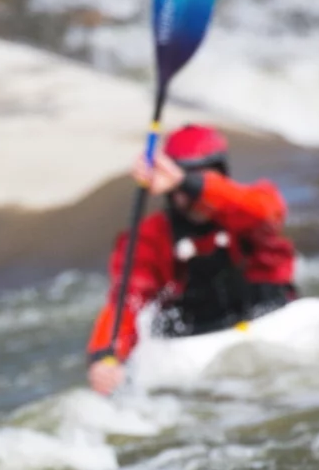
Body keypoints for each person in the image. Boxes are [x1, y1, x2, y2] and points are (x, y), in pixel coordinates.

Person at [86, 124, 300, 395]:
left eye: (196, 180)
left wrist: (189, 183)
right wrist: (105, 356)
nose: (187, 197)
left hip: (276, 328)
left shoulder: (249, 207)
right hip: (198, 349)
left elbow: (268, 213)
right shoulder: (150, 237)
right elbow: (127, 301)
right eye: (178, 186)